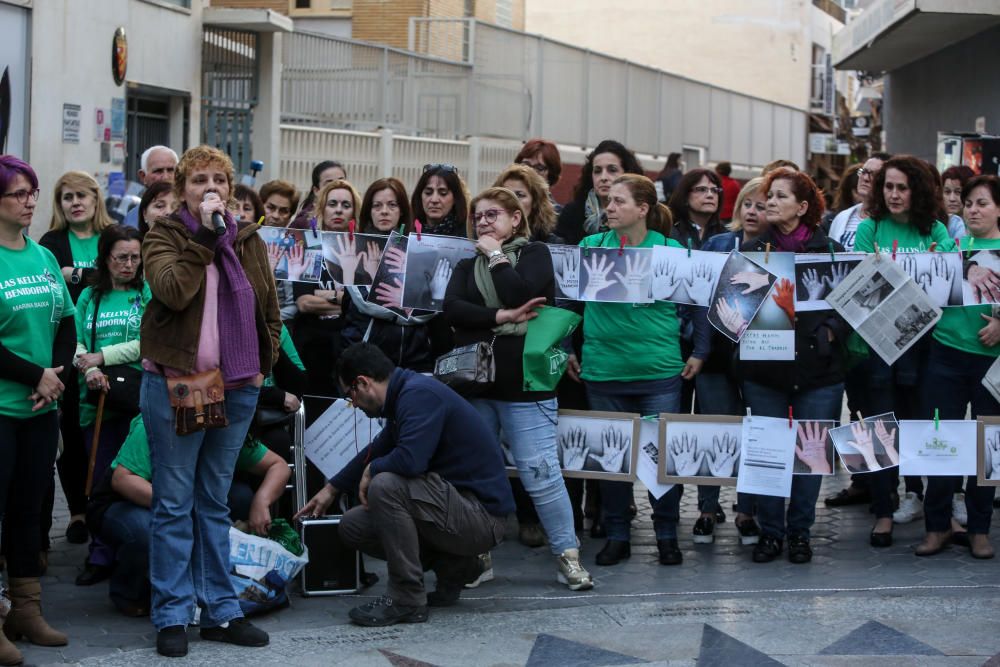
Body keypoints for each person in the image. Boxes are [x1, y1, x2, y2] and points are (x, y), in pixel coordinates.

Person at [139, 145, 280, 657]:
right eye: (198, 180)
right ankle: (173, 614)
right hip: (180, 382)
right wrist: (204, 236)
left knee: (213, 502)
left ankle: (221, 609)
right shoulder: (166, 235)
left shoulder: (248, 239)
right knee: (175, 503)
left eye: (218, 180)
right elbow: (174, 291)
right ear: (182, 191)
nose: (210, 189)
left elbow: (269, 306)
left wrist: (266, 360)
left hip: (240, 385)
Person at [295, 343, 515, 626]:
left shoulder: (418, 395)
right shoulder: (404, 396)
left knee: (386, 485)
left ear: (362, 382)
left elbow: (411, 461)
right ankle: (454, 566)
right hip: (456, 511)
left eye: (350, 397)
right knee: (353, 525)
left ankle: (406, 599)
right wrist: (332, 488)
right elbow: (376, 449)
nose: (355, 407)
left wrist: (373, 470)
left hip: (481, 518)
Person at [443, 186, 593, 590]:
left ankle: (568, 556)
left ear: (515, 219)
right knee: (475, 477)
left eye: (493, 215)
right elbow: (453, 310)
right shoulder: (463, 265)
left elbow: (523, 292)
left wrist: (494, 256)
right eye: (478, 216)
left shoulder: (536, 255)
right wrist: (504, 316)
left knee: (541, 474)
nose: (483, 223)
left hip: (526, 386)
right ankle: (478, 557)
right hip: (476, 387)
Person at [573, 174, 709, 567]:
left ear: (643, 209)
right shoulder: (590, 247)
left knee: (662, 461)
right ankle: (618, 535)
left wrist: (700, 350)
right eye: (607, 202)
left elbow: (699, 303)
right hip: (603, 371)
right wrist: (566, 347)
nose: (609, 208)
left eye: (618, 202)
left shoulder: (668, 249)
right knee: (612, 464)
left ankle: (667, 534)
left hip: (659, 371)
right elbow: (569, 302)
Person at [737, 168, 848, 564]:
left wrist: (830, 332)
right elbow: (734, 311)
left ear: (802, 207)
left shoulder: (831, 250)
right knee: (769, 452)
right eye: (769, 195)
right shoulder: (752, 252)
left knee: (810, 455)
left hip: (819, 372)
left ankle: (799, 533)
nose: (770, 202)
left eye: (780, 196)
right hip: (766, 371)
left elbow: (853, 304)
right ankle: (771, 533)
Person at [87, 414, 290, 617]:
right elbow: (123, 480)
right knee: (146, 530)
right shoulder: (155, 421)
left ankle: (216, 581)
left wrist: (261, 501)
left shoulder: (226, 427)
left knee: (242, 497)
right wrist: (183, 508)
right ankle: (130, 591)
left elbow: (278, 466)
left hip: (189, 498)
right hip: (125, 502)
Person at [852, 155, 956, 545]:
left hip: (926, 344)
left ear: (918, 191)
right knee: (880, 426)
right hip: (877, 346)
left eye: (902, 187)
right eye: (888, 187)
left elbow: (945, 286)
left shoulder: (937, 229)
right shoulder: (869, 228)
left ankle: (919, 495)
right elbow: (862, 291)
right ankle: (883, 509)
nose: (894, 195)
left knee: (916, 421)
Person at [0, 156, 75, 664]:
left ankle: (26, 610)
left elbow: (66, 321)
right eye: (19, 193)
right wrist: (35, 376)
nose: (30, 201)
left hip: (40, 410)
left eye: (33, 192)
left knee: (30, 514)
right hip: (3, 409)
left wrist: (56, 375)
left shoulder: (43, 257)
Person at [915, 174, 1000, 558]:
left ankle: (979, 529)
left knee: (987, 448)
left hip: (991, 365)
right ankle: (937, 527)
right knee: (941, 443)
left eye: (982, 203)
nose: (973, 209)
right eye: (968, 203)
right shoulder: (951, 247)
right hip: (946, 354)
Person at [40, 171, 116, 547]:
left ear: (96, 199)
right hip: (70, 350)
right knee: (70, 432)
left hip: (113, 349)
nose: (75, 203)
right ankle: (77, 513)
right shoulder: (51, 242)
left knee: (107, 432)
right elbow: (55, 285)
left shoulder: (111, 237)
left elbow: (125, 275)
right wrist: (95, 276)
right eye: (67, 197)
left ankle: (105, 505)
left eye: (82, 195)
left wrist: (78, 274)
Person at [72, 225, 150, 587]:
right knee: (98, 479)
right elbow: (74, 343)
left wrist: (102, 357)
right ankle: (100, 552)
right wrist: (87, 369)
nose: (129, 265)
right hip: (97, 401)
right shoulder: (90, 296)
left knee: (133, 479)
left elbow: (146, 342)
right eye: (122, 257)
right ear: (106, 258)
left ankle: (129, 552)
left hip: (136, 400)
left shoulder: (145, 293)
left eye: (135, 257)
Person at [695, 177, 768, 546]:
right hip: (716, 356)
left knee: (753, 433)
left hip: (761, 357)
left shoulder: (779, 250)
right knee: (714, 431)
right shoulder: (718, 243)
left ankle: (747, 511)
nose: (753, 212)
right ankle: (706, 510)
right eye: (747, 204)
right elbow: (698, 299)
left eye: (761, 205)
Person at [340, 178, 436, 371]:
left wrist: (400, 311)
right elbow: (367, 304)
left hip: (415, 357)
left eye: (392, 205)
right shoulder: (357, 248)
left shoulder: (420, 250)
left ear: (402, 211)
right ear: (369, 211)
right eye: (377, 205)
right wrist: (405, 309)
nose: (384, 211)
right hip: (368, 358)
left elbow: (430, 309)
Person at [291, 179, 362, 396]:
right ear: (322, 208)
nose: (338, 210)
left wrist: (324, 297)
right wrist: (345, 300)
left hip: (349, 346)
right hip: (312, 347)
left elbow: (363, 307)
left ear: (354, 212)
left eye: (345, 205)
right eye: (332, 204)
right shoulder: (309, 246)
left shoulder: (362, 249)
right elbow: (304, 303)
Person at [556, 140, 644, 246]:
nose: (603, 178)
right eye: (597, 171)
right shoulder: (573, 213)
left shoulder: (640, 213)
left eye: (612, 170)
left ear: (628, 173)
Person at [828, 153, 889, 251]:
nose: (865, 178)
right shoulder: (841, 218)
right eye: (863, 172)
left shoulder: (892, 221)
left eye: (874, 174)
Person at [495, 163, 561, 243]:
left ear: (535, 202)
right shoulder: (484, 234)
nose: (511, 200)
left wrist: (495, 253)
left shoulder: (551, 243)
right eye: (506, 194)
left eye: (519, 195)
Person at [668, 168, 727, 250]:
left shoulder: (726, 234)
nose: (710, 195)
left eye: (714, 190)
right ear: (685, 196)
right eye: (702, 189)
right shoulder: (670, 231)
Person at [123, 146, 179, 229]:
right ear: (143, 176)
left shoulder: (194, 209)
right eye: (158, 171)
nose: (166, 177)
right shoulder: (133, 217)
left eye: (171, 170)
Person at [409, 164, 470, 237]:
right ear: (420, 196)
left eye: (443, 193)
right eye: (428, 193)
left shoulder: (470, 234)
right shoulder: (405, 232)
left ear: (455, 198)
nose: (434, 200)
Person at [290, 160, 347, 228]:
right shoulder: (302, 223)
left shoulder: (354, 216)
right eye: (329, 184)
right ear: (316, 191)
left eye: (341, 182)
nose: (337, 187)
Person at [822, 162, 863, 232]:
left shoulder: (881, 222)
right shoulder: (831, 221)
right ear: (851, 192)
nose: (864, 195)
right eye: (858, 190)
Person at [941, 165, 975, 238]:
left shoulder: (976, 226)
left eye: (958, 192)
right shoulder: (935, 224)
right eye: (947, 192)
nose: (952, 199)